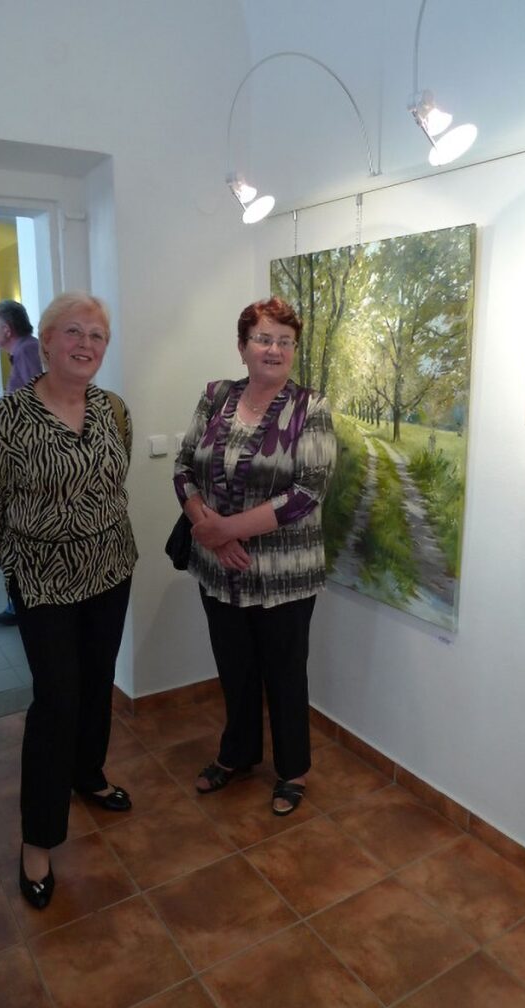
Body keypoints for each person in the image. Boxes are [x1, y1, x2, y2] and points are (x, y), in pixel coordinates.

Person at [0, 291, 137, 910]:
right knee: (56, 702)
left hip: (111, 570)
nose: (85, 344)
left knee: (97, 683)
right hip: (44, 585)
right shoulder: (8, 419)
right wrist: (19, 564)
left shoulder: (113, 410)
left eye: (97, 335)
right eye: (73, 331)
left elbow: (114, 483)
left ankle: (88, 775)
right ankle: (37, 840)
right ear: (47, 339)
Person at [173, 297, 336, 817]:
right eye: (264, 339)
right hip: (219, 570)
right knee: (235, 668)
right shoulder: (215, 397)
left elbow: (307, 492)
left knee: (285, 674)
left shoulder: (311, 408)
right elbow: (183, 467)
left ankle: (293, 771)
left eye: (285, 341)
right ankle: (237, 754)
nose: (274, 349)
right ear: (242, 346)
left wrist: (225, 529)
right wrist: (214, 535)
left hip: (285, 575)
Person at [0, 300, 43, 626]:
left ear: (7, 329)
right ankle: (18, 602)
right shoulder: (23, 351)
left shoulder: (27, 352)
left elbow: (38, 404)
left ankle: (23, 603)